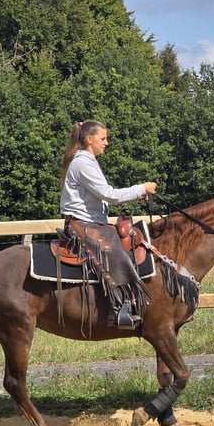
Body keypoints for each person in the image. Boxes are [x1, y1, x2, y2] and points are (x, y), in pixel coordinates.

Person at [59, 120, 157, 329]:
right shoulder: (83, 163)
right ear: (89, 139)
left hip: (91, 222)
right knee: (114, 252)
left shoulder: (88, 161)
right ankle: (120, 307)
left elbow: (101, 196)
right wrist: (141, 189)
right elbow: (108, 194)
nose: (106, 143)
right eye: (103, 138)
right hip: (83, 225)